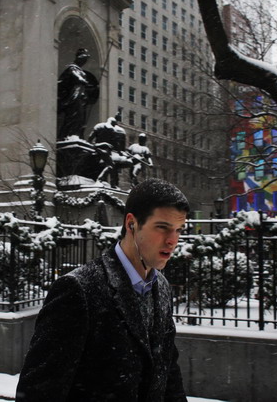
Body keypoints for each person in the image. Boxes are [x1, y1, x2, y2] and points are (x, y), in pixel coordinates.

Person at [16, 178, 190, 402]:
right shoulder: (78, 290)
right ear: (131, 224)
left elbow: (168, 375)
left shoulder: (162, 288)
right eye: (162, 228)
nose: (172, 240)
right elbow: (38, 393)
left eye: (178, 230)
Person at [57, 48, 99, 140]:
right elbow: (78, 79)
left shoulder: (79, 70)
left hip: (81, 99)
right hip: (74, 98)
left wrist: (91, 89)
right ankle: (68, 136)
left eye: (85, 60)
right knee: (73, 118)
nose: (84, 61)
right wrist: (86, 83)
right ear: (79, 58)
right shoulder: (72, 68)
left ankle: (75, 135)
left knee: (80, 120)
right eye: (83, 59)